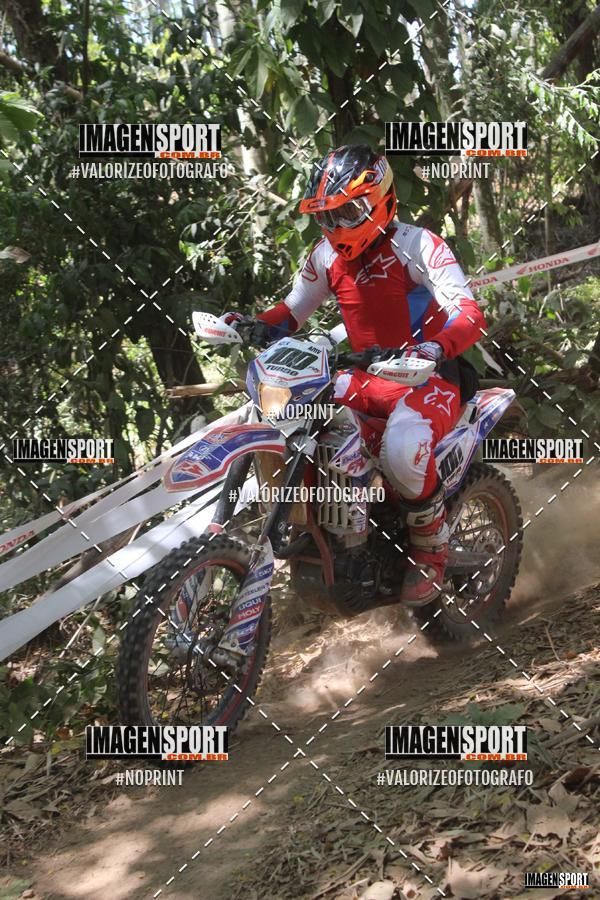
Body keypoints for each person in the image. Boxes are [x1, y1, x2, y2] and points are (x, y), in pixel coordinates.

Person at [227, 145, 486, 606]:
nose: (337, 225)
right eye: (328, 216)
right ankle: (330, 530)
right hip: (364, 375)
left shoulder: (418, 245)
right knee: (293, 414)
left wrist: (434, 347)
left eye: (347, 212)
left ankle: (431, 546)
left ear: (379, 200)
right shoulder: (326, 256)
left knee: (403, 447)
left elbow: (468, 312)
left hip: (428, 377)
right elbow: (291, 311)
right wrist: (253, 325)